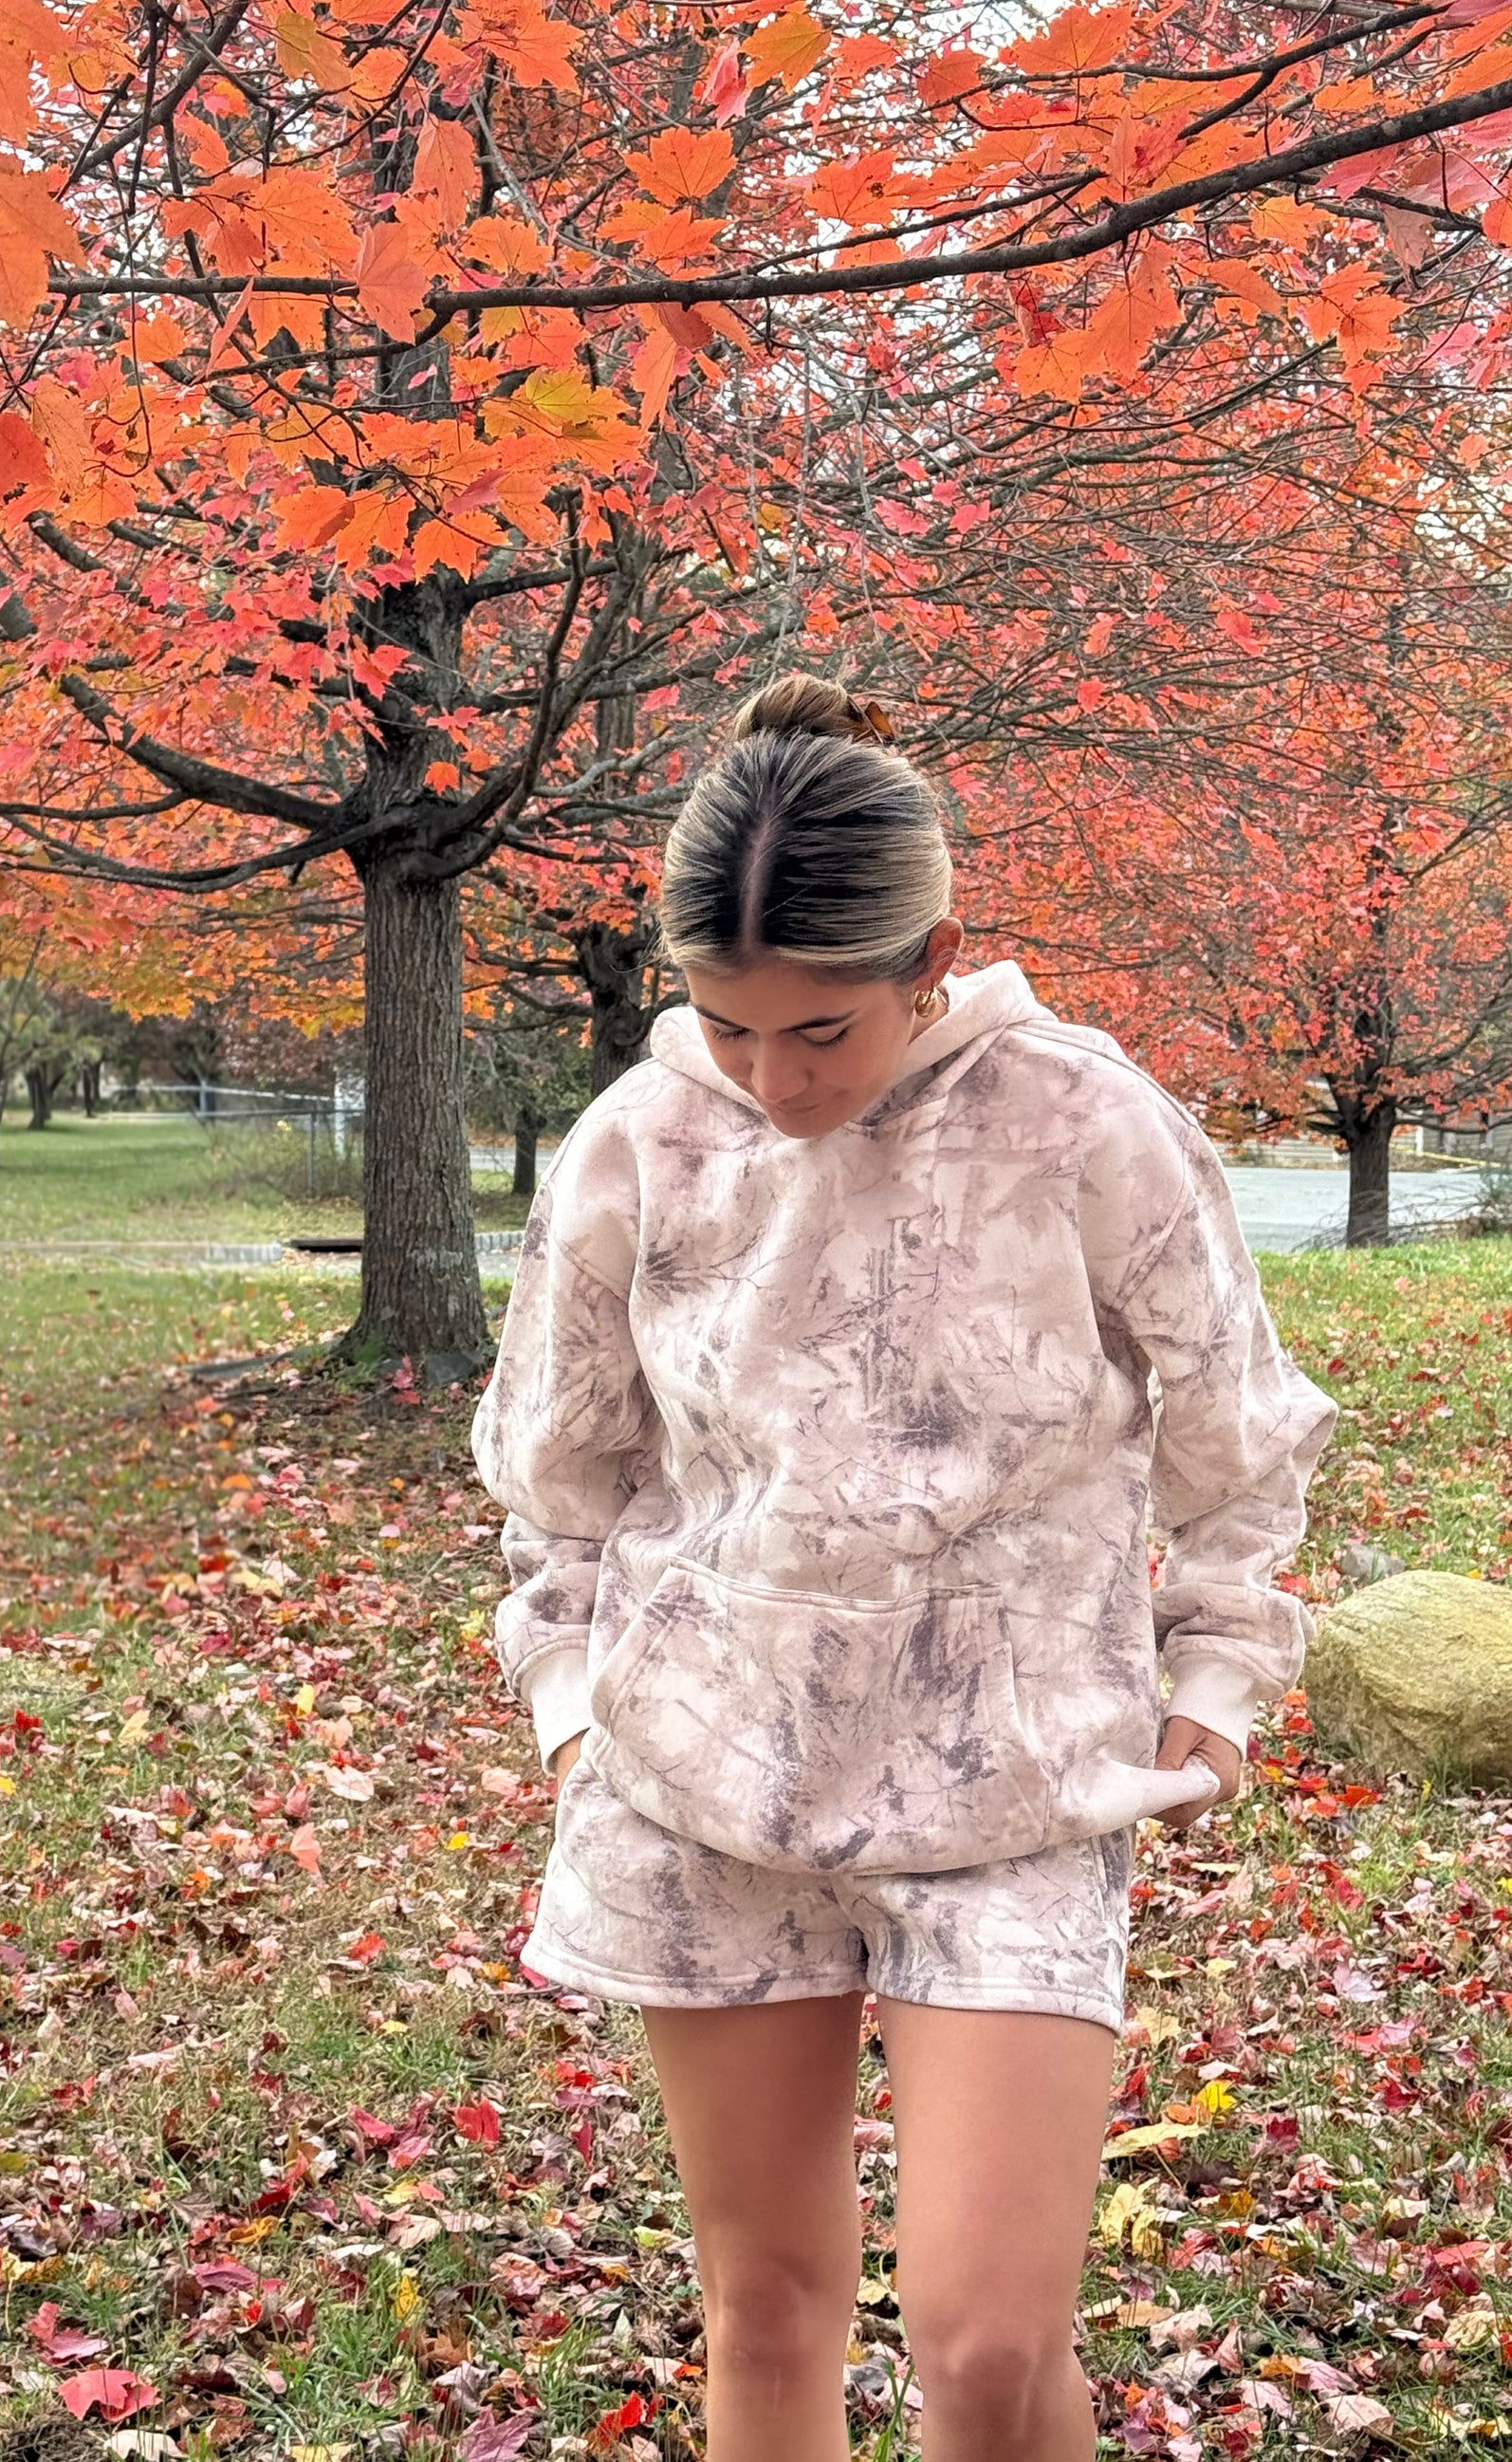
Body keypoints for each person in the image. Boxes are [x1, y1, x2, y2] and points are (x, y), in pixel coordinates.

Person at [469, 676, 1336, 2462]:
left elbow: (1236, 1431)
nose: (774, 1079)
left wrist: (1219, 1675)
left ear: (931, 958)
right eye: (727, 1024)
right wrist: (566, 1701)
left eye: (820, 1030)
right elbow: (559, 1461)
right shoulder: (637, 1134)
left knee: (987, 2345)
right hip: (704, 1784)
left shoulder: (1081, 1120)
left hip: (1013, 1785)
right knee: (766, 2308)